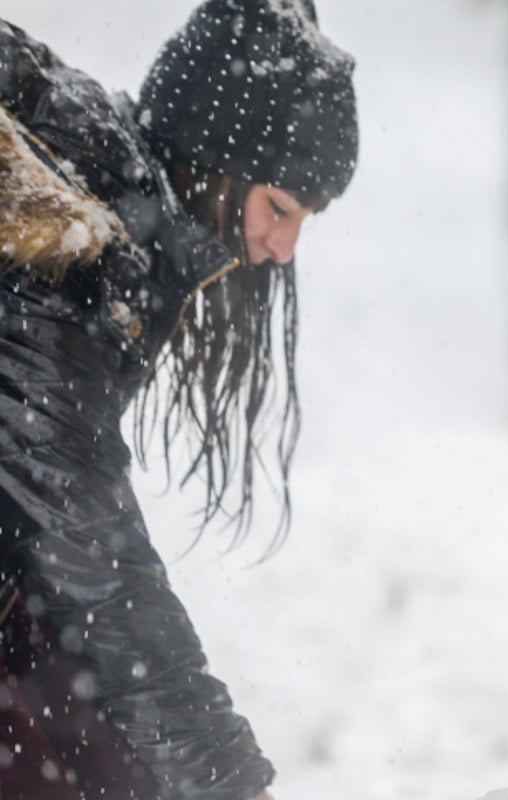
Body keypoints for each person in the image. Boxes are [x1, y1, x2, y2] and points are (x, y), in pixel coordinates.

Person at [0, 0, 357, 797]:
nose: (282, 247)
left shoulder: (100, 187)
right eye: (280, 206)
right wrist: (225, 778)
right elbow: (90, 557)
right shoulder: (68, 246)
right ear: (215, 165)